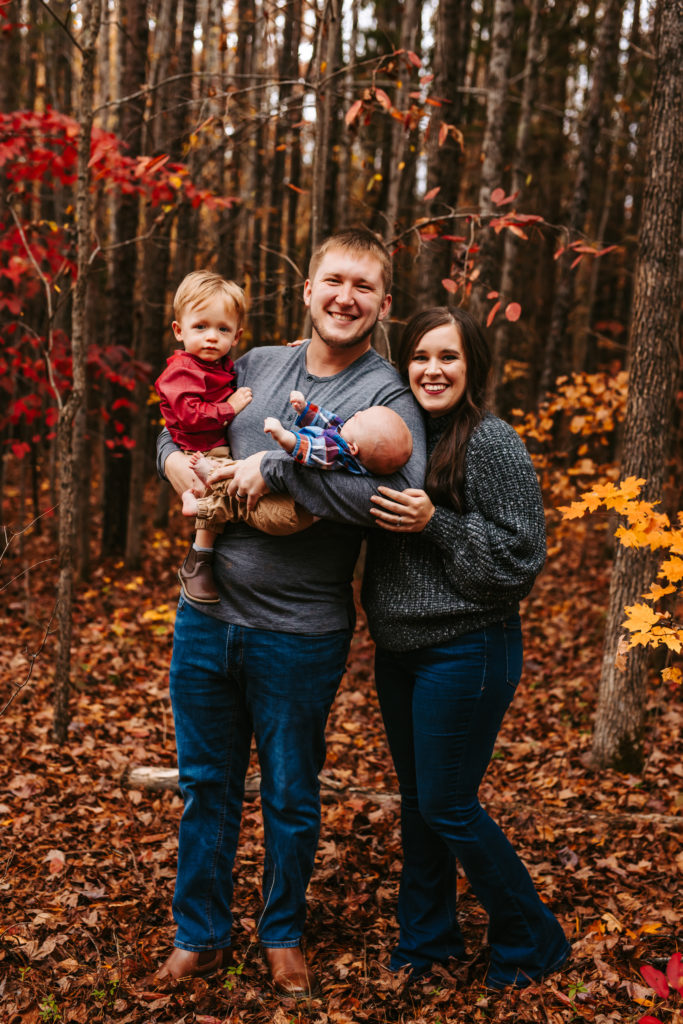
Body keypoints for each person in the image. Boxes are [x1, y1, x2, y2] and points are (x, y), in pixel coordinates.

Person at [153, 229, 426, 996]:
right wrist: (180, 469)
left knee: (289, 793)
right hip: (205, 617)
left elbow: (384, 500)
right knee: (207, 784)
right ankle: (198, 933)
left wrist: (273, 465)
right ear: (306, 289)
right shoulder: (254, 364)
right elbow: (175, 428)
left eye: (362, 287)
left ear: (381, 304)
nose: (345, 297)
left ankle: (281, 933)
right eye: (332, 280)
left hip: (301, 633)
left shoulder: (386, 394)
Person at [362, 307, 571, 990]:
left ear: (472, 366)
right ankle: (426, 942)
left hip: (467, 649)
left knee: (448, 804)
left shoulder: (491, 442)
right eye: (420, 356)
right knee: (420, 799)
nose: (431, 369)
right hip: (398, 651)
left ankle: (533, 939)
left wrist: (436, 524)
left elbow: (519, 562)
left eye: (447, 357)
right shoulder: (395, 437)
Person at [155, 270, 313, 605]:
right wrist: (228, 408)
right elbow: (187, 417)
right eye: (201, 327)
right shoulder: (182, 371)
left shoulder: (225, 365)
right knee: (223, 496)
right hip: (200, 446)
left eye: (222, 329)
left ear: (237, 336)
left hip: (214, 447)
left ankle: (203, 506)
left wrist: (307, 349)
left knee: (224, 487)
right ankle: (200, 557)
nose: (212, 337)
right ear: (178, 330)